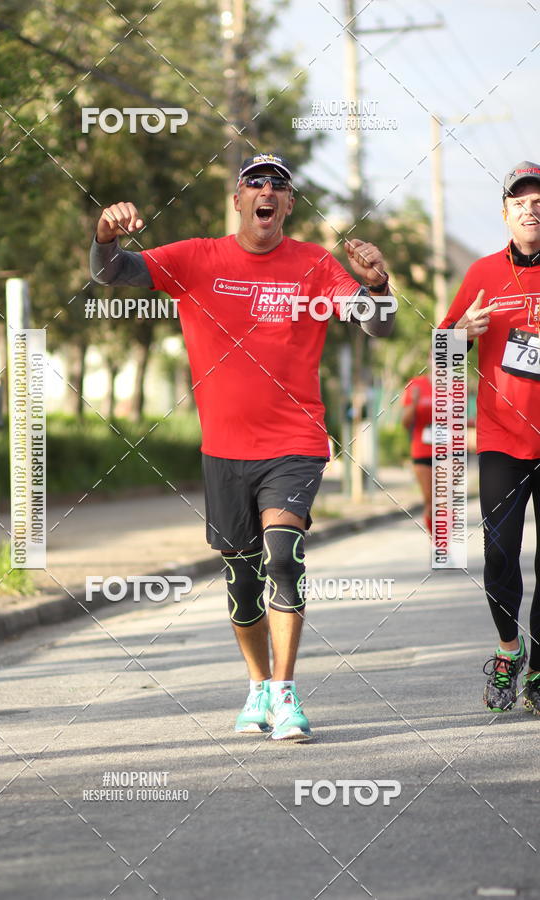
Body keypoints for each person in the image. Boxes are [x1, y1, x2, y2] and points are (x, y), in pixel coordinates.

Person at [90, 152, 395, 741]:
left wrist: (379, 286)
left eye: (278, 186)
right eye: (255, 182)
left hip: (296, 441)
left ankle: (285, 692)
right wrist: (103, 235)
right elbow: (111, 273)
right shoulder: (195, 258)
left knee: (283, 556)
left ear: (287, 205)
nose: (266, 191)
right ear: (238, 199)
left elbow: (373, 322)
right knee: (243, 576)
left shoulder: (313, 264)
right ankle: (257, 685)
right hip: (224, 450)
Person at [439, 160, 540, 715]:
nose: (531, 209)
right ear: (505, 214)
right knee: (499, 554)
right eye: (520, 202)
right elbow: (443, 354)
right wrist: (461, 335)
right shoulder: (480, 274)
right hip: (502, 438)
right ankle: (509, 652)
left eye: (538, 201)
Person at [401, 370, 433, 539]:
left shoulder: (456, 384)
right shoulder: (415, 385)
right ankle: (437, 541)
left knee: (444, 500)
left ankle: (444, 543)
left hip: (450, 450)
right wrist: (413, 403)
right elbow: (405, 423)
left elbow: (464, 417)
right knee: (430, 501)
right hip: (422, 450)